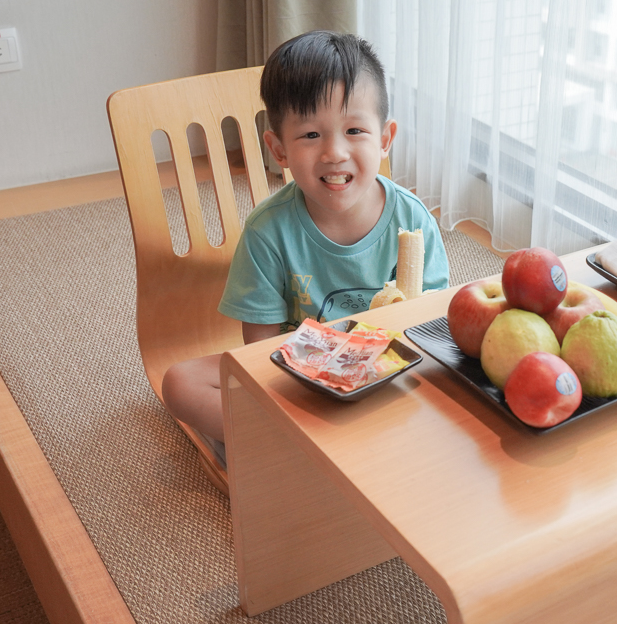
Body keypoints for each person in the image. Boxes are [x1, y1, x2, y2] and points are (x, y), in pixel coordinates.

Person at [160, 31, 450, 452]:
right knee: (180, 382)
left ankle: (285, 443)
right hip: (297, 373)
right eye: (311, 135)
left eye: (354, 130)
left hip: (383, 369)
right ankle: (300, 439)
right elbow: (260, 347)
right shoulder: (268, 231)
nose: (334, 152)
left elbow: (430, 322)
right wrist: (306, 382)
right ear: (278, 150)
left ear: (385, 138)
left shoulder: (412, 220)